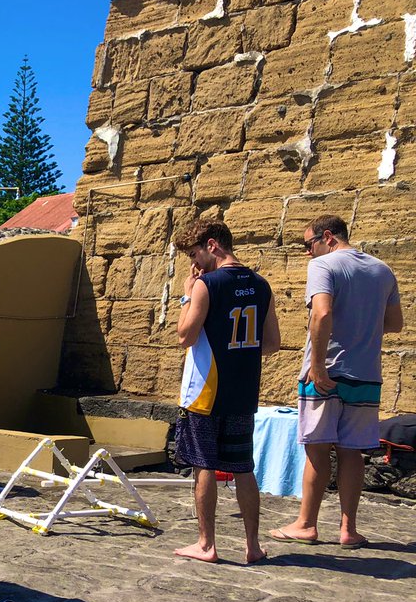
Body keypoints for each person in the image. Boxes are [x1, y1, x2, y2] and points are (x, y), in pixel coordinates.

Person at [271, 215, 404, 549]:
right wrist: (361, 326)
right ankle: (349, 530)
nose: (307, 253)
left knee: (317, 450)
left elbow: (322, 313)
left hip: (327, 371)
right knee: (352, 452)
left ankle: (306, 524)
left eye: (308, 244)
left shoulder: (323, 265)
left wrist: (317, 366)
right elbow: (395, 323)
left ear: (327, 237)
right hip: (366, 374)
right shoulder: (383, 270)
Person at [173, 218, 281, 565]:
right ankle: (253, 546)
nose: (195, 262)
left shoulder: (207, 284)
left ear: (212, 245)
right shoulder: (261, 285)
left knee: (204, 464)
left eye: (195, 254)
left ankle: (207, 544)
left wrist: (187, 294)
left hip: (206, 392)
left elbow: (185, 336)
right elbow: (272, 343)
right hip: (243, 390)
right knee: (243, 467)